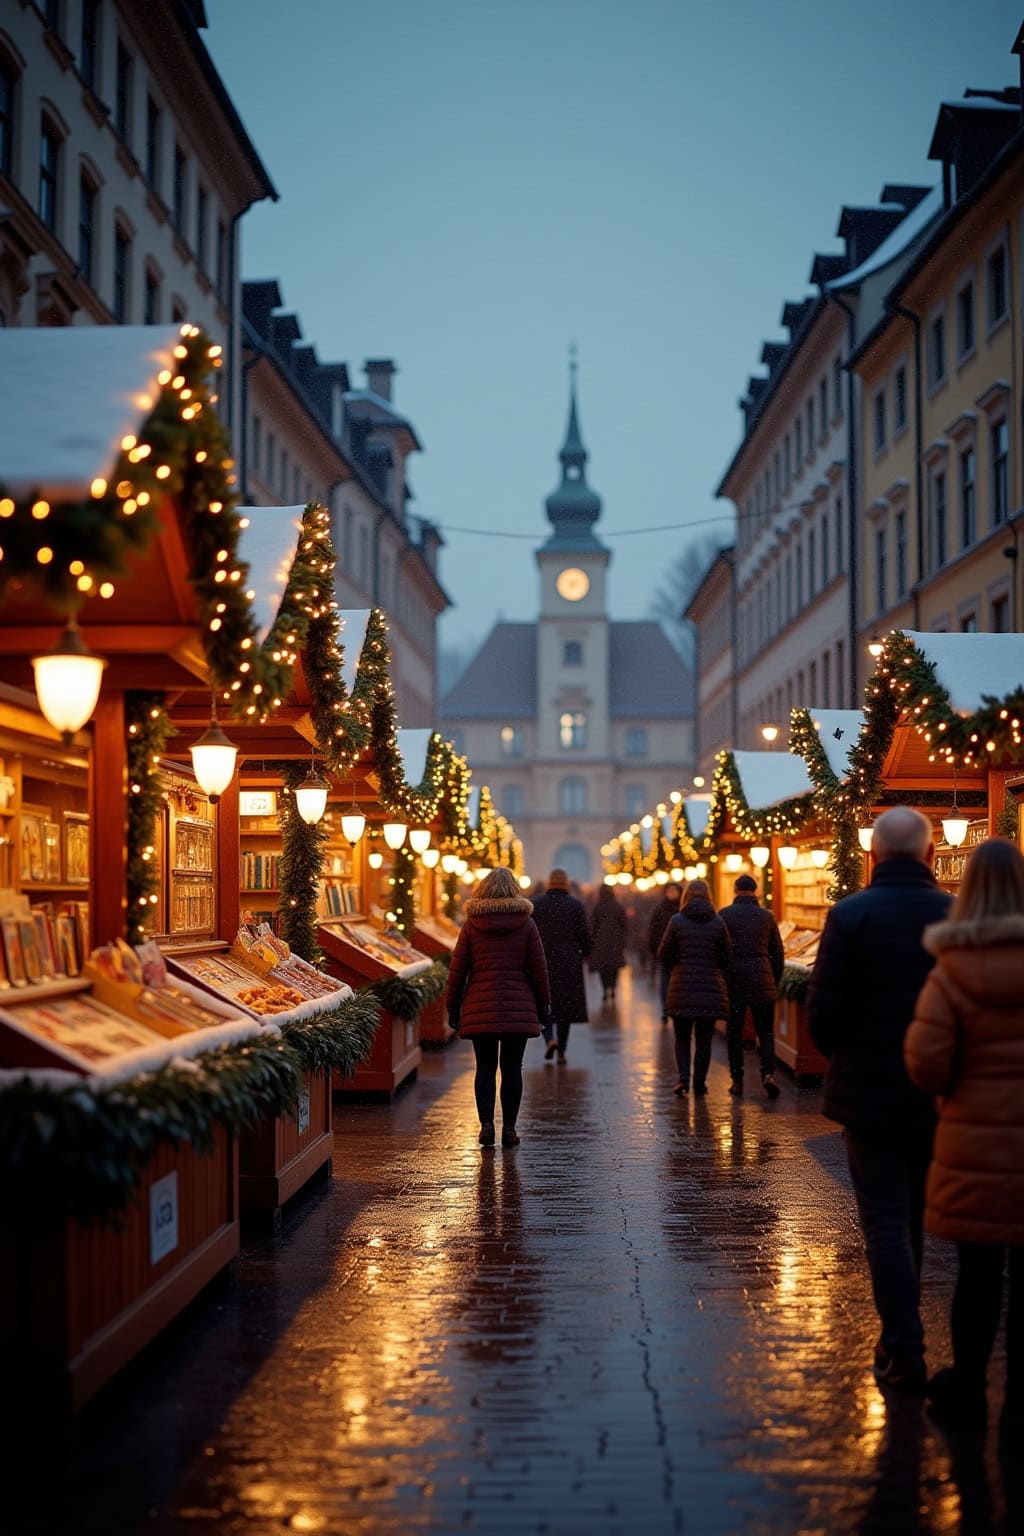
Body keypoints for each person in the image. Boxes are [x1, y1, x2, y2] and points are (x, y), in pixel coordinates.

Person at [807, 806, 951, 1394]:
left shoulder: (849, 915)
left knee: (885, 1220)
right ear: (926, 853)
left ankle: (903, 1345)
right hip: (938, 1092)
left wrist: (851, 1052)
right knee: (919, 1213)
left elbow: (822, 1017)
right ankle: (913, 1343)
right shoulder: (954, 914)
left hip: (867, 1092)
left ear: (874, 852)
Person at [904, 837, 1024, 1441]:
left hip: (975, 1149)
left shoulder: (952, 971)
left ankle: (970, 1389)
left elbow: (925, 1065)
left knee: (978, 1277)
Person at [445, 866, 552, 1148]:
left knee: (485, 1068)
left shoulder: (471, 925)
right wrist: (544, 1006)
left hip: (481, 1005)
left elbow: (458, 969)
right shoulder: (527, 924)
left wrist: (452, 1007)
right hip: (519, 1006)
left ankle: (486, 1125)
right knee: (513, 1068)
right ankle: (510, 1129)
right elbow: (539, 970)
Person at [657, 878, 732, 1096]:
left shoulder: (677, 921)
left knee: (682, 1038)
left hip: (681, 988)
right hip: (709, 988)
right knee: (704, 1039)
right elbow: (726, 955)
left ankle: (683, 1079)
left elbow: (663, 954)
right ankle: (700, 1082)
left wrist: (678, 966)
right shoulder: (718, 922)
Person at [719, 874, 785, 1098]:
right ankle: (768, 1074)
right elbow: (777, 953)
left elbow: (720, 951)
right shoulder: (767, 916)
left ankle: (737, 1080)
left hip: (734, 981)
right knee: (765, 1031)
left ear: (736, 890)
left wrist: (724, 976)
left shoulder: (724, 915)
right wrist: (772, 979)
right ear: (756, 891)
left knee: (734, 1033)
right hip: (762, 980)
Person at [531, 867, 591, 1063]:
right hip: (569, 962)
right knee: (565, 1007)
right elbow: (585, 935)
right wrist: (585, 954)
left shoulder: (537, 904)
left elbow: (529, 934)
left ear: (549, 883)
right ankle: (562, 1051)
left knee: (544, 1003)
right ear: (565, 883)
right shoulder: (576, 905)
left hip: (543, 961)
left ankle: (549, 1039)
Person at [648, 882, 682, 1022]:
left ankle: (676, 1008)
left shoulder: (683, 908)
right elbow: (653, 930)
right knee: (666, 981)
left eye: (674, 891)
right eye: (670, 891)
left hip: (681, 953)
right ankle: (665, 1009)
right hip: (665, 952)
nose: (672, 894)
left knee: (678, 983)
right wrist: (655, 948)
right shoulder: (660, 909)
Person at [588, 883, 628, 1001]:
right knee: (614, 968)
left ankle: (605, 989)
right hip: (615, 941)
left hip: (601, 942)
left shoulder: (597, 907)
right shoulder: (618, 906)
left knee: (603, 968)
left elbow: (593, 926)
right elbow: (624, 925)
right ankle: (613, 988)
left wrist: (593, 939)